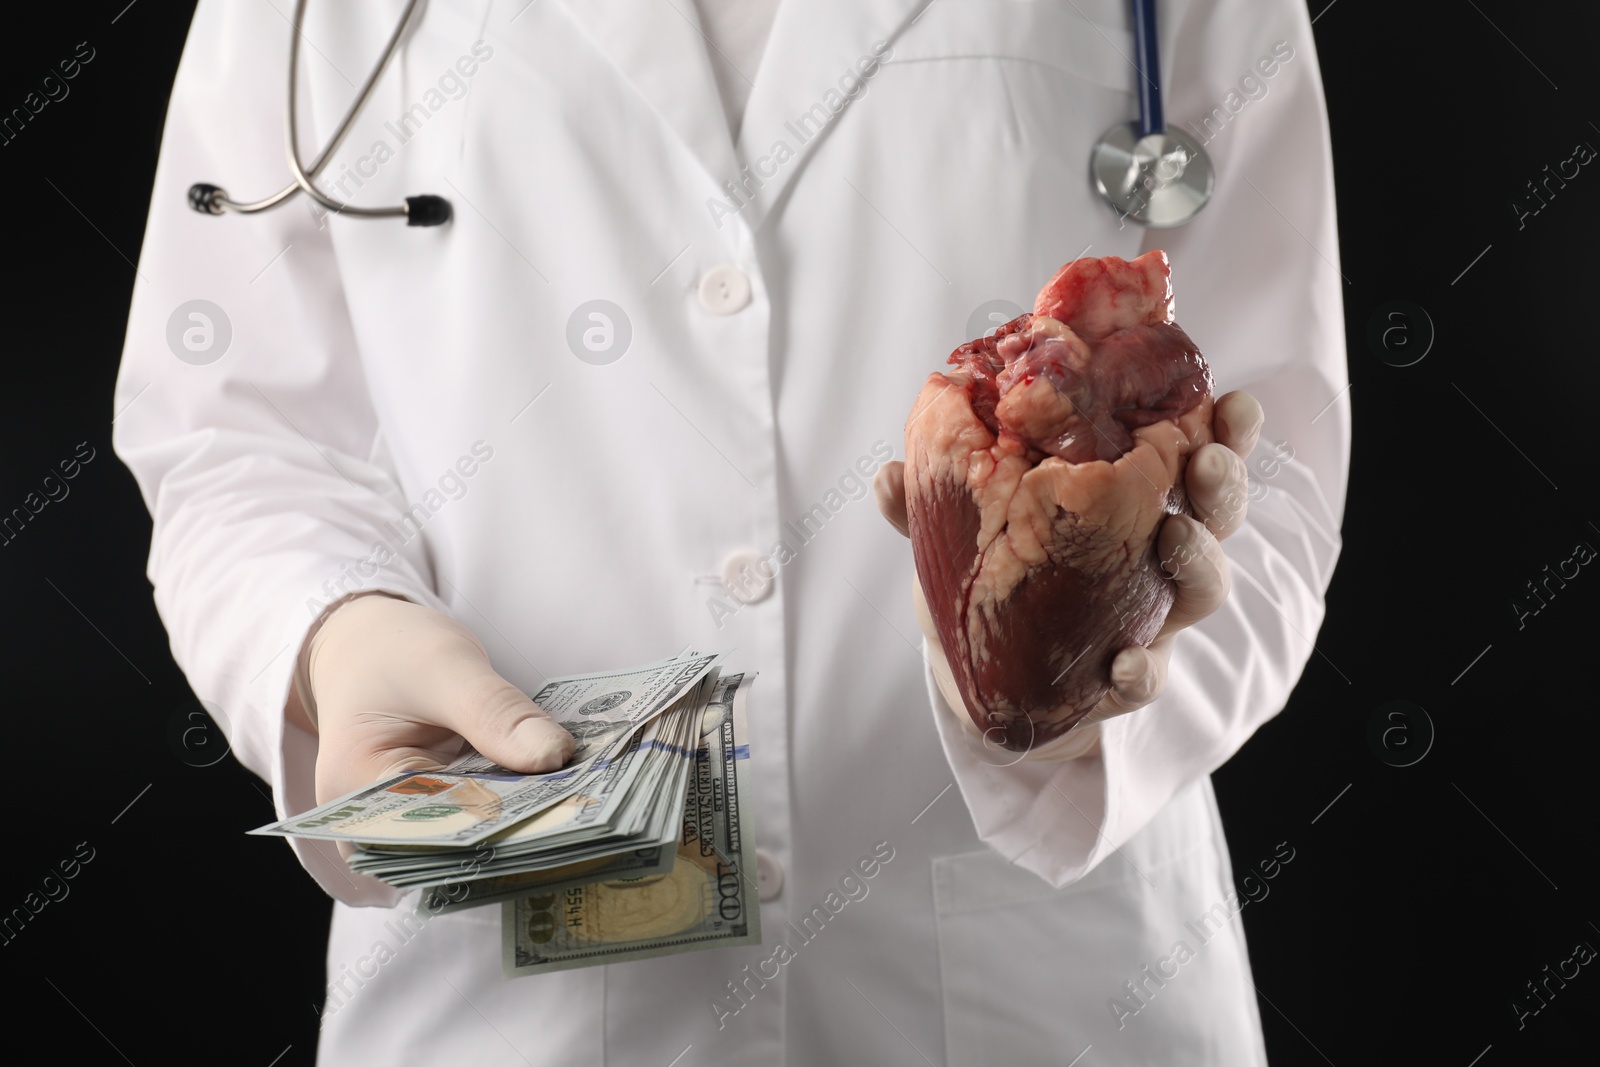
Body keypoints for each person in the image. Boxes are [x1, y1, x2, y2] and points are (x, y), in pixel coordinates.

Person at [112, 0, 1347, 1062]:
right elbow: (234, 429)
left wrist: (1088, 687)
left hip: (1043, 995)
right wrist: (332, 634)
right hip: (509, 985)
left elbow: (1272, 443)